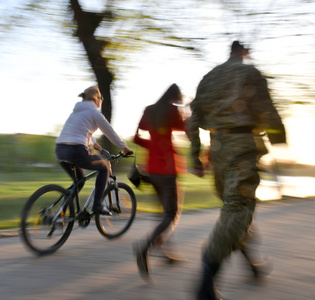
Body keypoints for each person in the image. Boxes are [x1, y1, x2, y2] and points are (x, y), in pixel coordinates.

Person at [188, 41, 286, 299]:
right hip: (243, 147)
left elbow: (194, 118)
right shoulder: (248, 73)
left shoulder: (208, 78)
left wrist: (195, 155)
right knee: (238, 210)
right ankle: (208, 274)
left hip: (218, 150)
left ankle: (252, 264)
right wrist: (279, 139)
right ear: (243, 53)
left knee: (233, 209)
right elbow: (266, 108)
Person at [132, 83, 187, 282]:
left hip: (151, 169)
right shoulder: (174, 111)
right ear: (176, 96)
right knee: (171, 214)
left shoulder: (149, 110)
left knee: (162, 213)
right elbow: (186, 129)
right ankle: (145, 248)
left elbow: (137, 137)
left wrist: (153, 144)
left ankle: (166, 254)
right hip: (167, 168)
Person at [55, 86, 132, 215]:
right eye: (101, 98)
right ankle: (97, 205)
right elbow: (110, 132)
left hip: (60, 150)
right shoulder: (95, 113)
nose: (101, 101)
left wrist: (97, 146)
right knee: (105, 166)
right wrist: (124, 147)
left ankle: (61, 213)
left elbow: (81, 132)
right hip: (77, 150)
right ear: (96, 99)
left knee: (79, 181)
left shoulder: (76, 113)